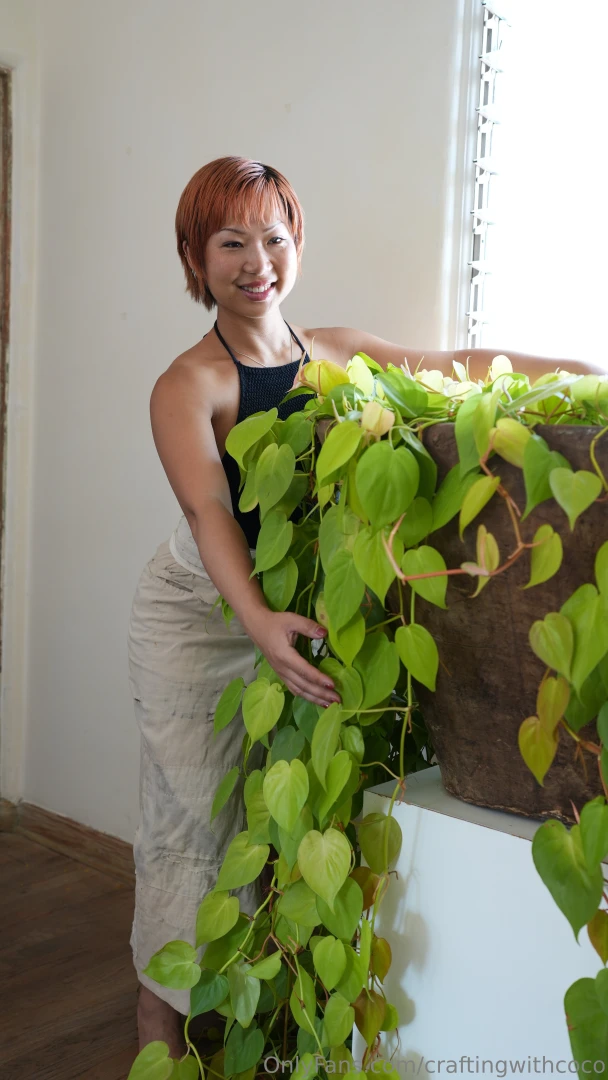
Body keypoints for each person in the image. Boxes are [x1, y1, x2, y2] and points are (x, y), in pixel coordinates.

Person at [127, 155, 603, 1057]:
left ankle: (260, 1028)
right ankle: (158, 1030)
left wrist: (581, 367)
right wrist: (257, 627)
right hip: (199, 619)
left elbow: (452, 366)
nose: (256, 259)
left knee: (279, 823)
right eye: (231, 241)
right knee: (190, 822)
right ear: (197, 258)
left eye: (274, 236)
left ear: (296, 244)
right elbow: (209, 511)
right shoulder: (190, 385)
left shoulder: (332, 352)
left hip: (295, 618)